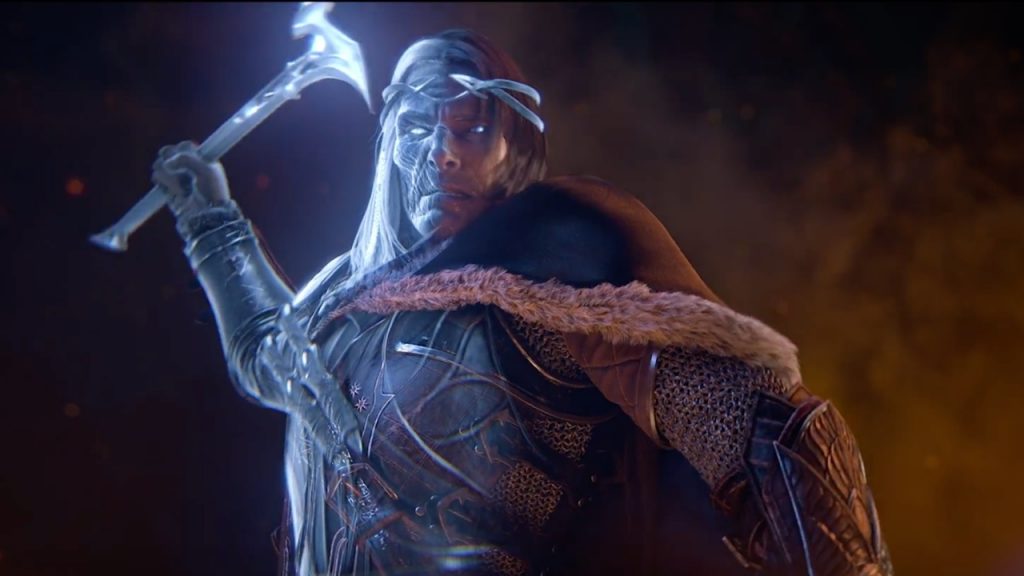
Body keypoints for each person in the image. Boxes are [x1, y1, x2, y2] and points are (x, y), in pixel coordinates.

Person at [152, 29, 892, 576]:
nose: (442, 151)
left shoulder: (549, 252)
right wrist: (211, 223)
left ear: (514, 146)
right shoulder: (338, 299)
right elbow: (271, 357)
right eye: (419, 124)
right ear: (388, 142)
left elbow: (767, 433)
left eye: (472, 127)